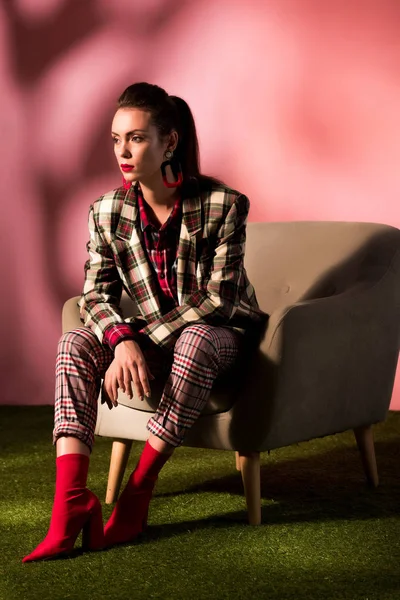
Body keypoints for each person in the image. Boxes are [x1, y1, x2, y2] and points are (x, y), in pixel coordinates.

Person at [23, 82, 267, 562]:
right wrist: (119, 341)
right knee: (74, 341)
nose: (123, 151)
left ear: (169, 142)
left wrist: (136, 339)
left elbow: (217, 300)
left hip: (222, 346)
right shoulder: (106, 212)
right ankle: (71, 504)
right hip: (157, 346)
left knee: (196, 338)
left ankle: (138, 493)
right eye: (116, 139)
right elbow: (94, 295)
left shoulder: (224, 206)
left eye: (135, 138)